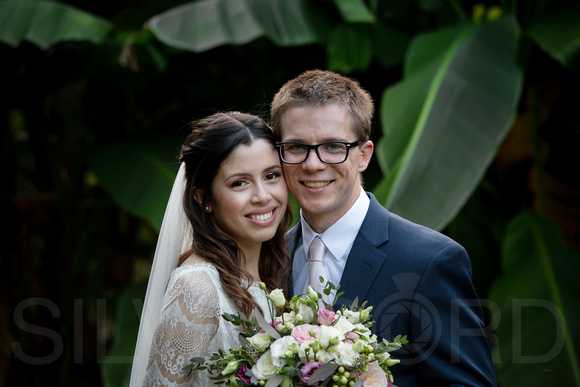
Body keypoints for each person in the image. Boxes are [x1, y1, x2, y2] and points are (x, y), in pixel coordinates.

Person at [270, 70, 497, 386]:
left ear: (363, 156)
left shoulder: (430, 260)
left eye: (333, 146)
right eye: (296, 147)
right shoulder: (266, 256)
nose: (312, 164)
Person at [129, 112, 291, 386]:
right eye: (239, 183)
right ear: (204, 198)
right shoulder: (198, 288)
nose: (263, 196)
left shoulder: (273, 273)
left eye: (272, 175)